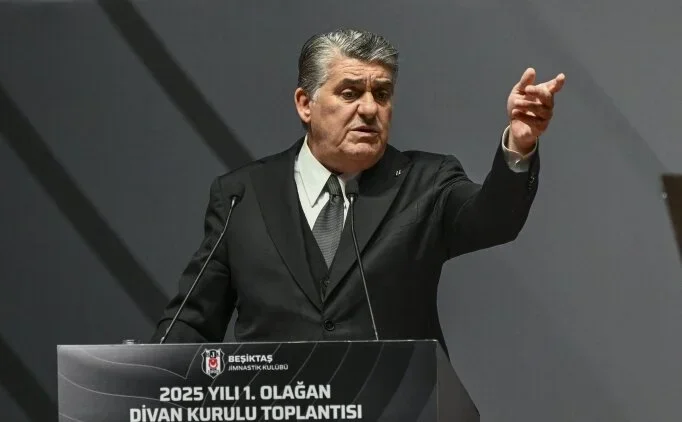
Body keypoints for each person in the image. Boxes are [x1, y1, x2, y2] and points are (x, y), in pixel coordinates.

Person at [151, 29, 564, 355]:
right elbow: (191, 322)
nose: (369, 109)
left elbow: (494, 218)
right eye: (350, 93)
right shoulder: (242, 195)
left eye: (381, 94)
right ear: (305, 104)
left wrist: (520, 143)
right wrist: (144, 384)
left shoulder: (426, 181)